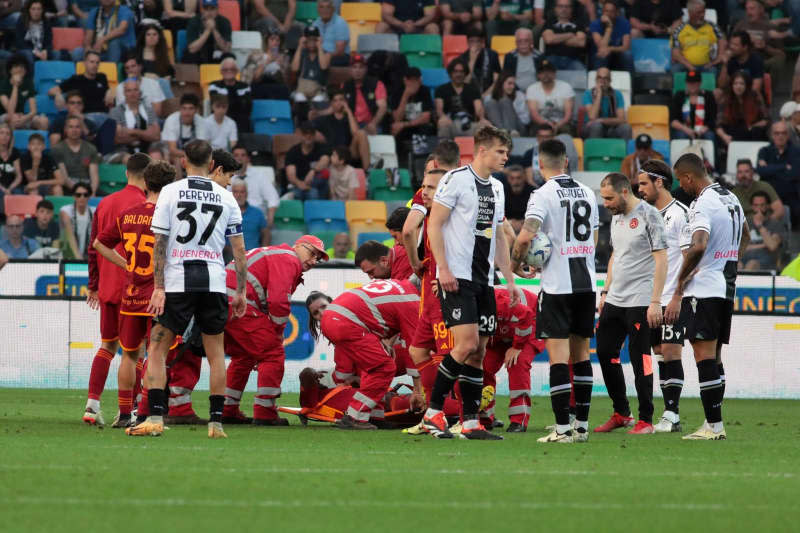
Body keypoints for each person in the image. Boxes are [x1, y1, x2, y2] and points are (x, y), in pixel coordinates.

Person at [128, 140, 246, 438]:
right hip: (215, 283)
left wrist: (158, 287)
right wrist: (241, 291)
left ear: (183, 161)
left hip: (178, 281)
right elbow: (240, 250)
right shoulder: (226, 197)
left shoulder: (169, 192)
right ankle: (216, 423)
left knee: (156, 347)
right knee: (216, 353)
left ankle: (155, 417)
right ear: (211, 164)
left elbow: (160, 244)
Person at [421, 125, 519, 440]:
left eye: (506, 152)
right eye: (501, 152)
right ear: (482, 150)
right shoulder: (455, 179)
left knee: (478, 350)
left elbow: (501, 237)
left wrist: (510, 279)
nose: (505, 157)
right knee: (463, 345)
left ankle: (471, 421)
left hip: (485, 280)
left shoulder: (498, 187)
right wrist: (444, 269)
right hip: (457, 277)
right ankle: (433, 413)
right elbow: (434, 225)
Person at [511, 139, 599, 443]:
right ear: (566, 162)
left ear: (539, 164)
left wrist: (515, 264)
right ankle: (582, 428)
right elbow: (595, 237)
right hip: (587, 285)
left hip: (558, 286)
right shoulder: (588, 192)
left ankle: (562, 430)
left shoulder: (542, 194)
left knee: (559, 360)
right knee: (583, 355)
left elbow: (525, 237)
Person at [667, 152, 749, 440]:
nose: (681, 186)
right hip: (725, 286)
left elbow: (698, 245)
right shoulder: (731, 198)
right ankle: (714, 420)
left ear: (689, 177)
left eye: (681, 180)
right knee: (714, 357)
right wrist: (729, 262)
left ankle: (713, 426)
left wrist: (679, 283)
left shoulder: (703, 203)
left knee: (703, 356)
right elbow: (747, 235)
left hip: (704, 289)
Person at [93, 159, 176, 428]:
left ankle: (124, 413)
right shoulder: (167, 216)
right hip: (157, 296)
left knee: (128, 355)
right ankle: (147, 413)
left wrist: (126, 263)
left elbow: (98, 244)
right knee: (156, 355)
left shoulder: (129, 214)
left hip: (130, 295)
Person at [222, 235, 327, 425]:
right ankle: (265, 412)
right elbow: (278, 302)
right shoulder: (288, 258)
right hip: (238, 303)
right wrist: (277, 334)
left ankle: (228, 409)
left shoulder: (277, 254)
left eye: (317, 259)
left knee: (244, 356)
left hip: (223, 301)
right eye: (312, 253)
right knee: (272, 353)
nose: (313, 261)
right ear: (298, 245)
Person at [593, 172, 667, 435]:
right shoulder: (616, 217)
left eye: (609, 198)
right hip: (615, 298)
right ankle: (622, 412)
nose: (606, 203)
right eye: (603, 198)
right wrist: (605, 290)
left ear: (625, 192)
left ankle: (646, 419)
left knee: (641, 359)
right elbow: (615, 255)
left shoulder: (649, 215)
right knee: (604, 352)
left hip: (640, 299)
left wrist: (655, 301)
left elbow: (661, 258)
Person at [82, 154, 148, 425]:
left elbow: (93, 246)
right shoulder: (146, 205)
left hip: (108, 289)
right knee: (137, 352)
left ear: (125, 173)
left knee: (107, 346)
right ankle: (131, 409)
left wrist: (94, 286)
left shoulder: (106, 202)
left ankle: (92, 404)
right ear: (147, 177)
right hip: (135, 289)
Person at [401, 147, 460, 415]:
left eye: (430, 187)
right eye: (423, 185)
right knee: (417, 351)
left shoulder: (454, 213)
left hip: (444, 290)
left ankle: (459, 413)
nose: (423, 192)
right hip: (430, 295)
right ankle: (433, 411)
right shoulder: (433, 210)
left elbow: (408, 229)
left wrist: (416, 263)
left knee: (452, 355)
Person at [319, 278, 421, 429]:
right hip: (347, 323)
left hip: (336, 319)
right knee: (384, 367)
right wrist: (418, 390)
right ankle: (354, 416)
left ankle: (374, 415)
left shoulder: (400, 286)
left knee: (371, 368)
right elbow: (413, 347)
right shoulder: (413, 300)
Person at [635, 159, 690, 433]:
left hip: (673, 297)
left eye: (644, 183)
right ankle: (670, 413)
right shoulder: (644, 214)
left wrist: (679, 295)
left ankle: (672, 413)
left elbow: (691, 258)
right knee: (658, 353)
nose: (639, 188)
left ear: (660, 182)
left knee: (671, 352)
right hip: (652, 298)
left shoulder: (680, 213)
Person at [481, 286, 545, 432]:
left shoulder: (497, 301)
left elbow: (526, 314)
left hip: (530, 323)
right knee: (483, 365)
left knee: (517, 363)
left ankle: (519, 420)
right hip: (499, 333)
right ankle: (485, 417)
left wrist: (517, 347)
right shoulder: (470, 304)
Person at [107, 79, 161, 164]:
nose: (132, 94)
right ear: (124, 93)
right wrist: (145, 134)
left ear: (140, 92)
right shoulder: (115, 112)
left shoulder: (149, 110)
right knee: (133, 160)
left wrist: (131, 131)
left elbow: (156, 136)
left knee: (156, 156)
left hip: (147, 148)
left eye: (135, 90)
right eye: (129, 90)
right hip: (122, 151)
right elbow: (118, 138)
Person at [315, 87, 370, 170]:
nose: (338, 103)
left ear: (345, 102)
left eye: (341, 100)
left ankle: (368, 171)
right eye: (335, 100)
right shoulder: (325, 119)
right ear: (331, 103)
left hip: (349, 153)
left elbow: (355, 133)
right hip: (333, 155)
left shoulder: (350, 118)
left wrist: (348, 111)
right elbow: (307, 129)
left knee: (361, 133)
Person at [757, 122, 800, 225]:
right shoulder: (764, 151)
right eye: (777, 133)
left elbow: (793, 174)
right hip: (767, 196)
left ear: (788, 135)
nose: (780, 136)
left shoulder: (796, 152)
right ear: (772, 135)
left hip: (789, 196)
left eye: (783, 133)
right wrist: (784, 167)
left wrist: (769, 169)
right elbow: (761, 171)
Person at [435, 59, 490, 139]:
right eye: (455, 71)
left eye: (461, 71)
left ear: (465, 73)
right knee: (442, 123)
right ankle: (445, 151)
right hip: (450, 123)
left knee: (485, 126)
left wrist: (482, 118)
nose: (458, 74)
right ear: (450, 73)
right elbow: (439, 109)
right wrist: (443, 117)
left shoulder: (473, 90)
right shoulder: (441, 89)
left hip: (470, 124)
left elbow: (478, 109)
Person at [49, 51, 114, 118]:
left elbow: (108, 92)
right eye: (92, 62)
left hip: (103, 115)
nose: (95, 65)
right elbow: (51, 91)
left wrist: (109, 91)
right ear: (85, 63)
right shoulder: (76, 79)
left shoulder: (102, 77)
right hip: (85, 117)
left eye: (97, 63)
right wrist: (58, 95)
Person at [390, 67, 436, 159]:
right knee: (394, 129)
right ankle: (401, 163)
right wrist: (405, 96)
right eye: (410, 80)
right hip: (403, 128)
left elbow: (426, 117)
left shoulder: (424, 91)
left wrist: (404, 124)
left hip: (417, 126)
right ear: (405, 80)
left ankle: (421, 161)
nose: (413, 83)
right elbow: (397, 118)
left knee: (426, 129)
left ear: (420, 80)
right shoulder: (397, 92)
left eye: (416, 80)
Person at [715, 71, 769, 148]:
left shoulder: (755, 96)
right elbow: (718, 125)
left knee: (757, 132)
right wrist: (724, 136)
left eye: (741, 84)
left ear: (746, 85)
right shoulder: (725, 99)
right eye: (735, 84)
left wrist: (752, 126)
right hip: (732, 133)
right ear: (732, 85)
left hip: (750, 131)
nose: (738, 86)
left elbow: (766, 120)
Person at [671, 0, 726, 74]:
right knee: (675, 69)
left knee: (713, 70)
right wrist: (690, 67)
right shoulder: (679, 29)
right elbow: (675, 53)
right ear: (690, 13)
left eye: (703, 12)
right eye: (699, 12)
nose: (702, 15)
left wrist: (717, 58)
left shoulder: (712, 26)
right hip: (686, 65)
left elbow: (722, 40)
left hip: (706, 66)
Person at [52, 116, 101, 195]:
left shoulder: (91, 148)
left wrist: (92, 191)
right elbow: (64, 178)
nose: (74, 130)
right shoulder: (58, 149)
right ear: (65, 129)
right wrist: (80, 192)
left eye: (77, 127)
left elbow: (94, 175)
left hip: (87, 187)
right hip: (68, 188)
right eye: (71, 127)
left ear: (81, 129)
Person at [733, 0, 785, 74]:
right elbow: (730, 46)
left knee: (779, 60)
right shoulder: (740, 25)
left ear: (761, 10)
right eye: (747, 9)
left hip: (763, 62)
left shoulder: (770, 26)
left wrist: (765, 47)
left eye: (752, 9)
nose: (748, 12)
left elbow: (781, 54)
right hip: (743, 62)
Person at [230, 145, 279, 223]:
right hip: (232, 218)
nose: (239, 158)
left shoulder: (260, 176)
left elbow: (273, 198)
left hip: (256, 218)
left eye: (243, 155)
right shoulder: (226, 178)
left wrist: (270, 219)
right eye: (236, 155)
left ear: (248, 159)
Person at [342, 53, 388, 136]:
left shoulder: (376, 84)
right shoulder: (345, 86)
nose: (357, 70)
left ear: (366, 69)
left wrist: (373, 123)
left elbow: (383, 107)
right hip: (351, 124)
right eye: (354, 67)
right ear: (350, 69)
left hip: (371, 123)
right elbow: (339, 106)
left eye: (361, 67)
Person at [0, 55, 49, 131]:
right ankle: (12, 142)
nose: (20, 69)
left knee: (43, 121)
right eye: (16, 66)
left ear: (25, 70)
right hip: (5, 117)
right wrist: (15, 86)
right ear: (10, 70)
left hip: (22, 116)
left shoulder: (28, 83)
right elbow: (10, 110)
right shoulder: (3, 84)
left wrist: (25, 118)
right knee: (13, 118)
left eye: (22, 67)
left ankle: (38, 142)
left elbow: (33, 111)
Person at [526, 59, 574, 135]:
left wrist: (558, 125)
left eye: (549, 71)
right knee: (535, 130)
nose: (546, 74)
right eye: (542, 72)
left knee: (566, 130)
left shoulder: (566, 87)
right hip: (540, 123)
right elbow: (534, 114)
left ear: (554, 74)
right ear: (538, 75)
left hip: (562, 123)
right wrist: (548, 125)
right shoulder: (532, 88)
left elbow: (568, 114)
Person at [740, 191, 786, 270]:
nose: (759, 209)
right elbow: (739, 247)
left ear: (768, 206)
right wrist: (763, 245)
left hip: (765, 259)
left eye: (762, 205)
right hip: (744, 257)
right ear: (752, 207)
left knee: (751, 264)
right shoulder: (744, 224)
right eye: (756, 205)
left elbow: (772, 246)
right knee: (735, 266)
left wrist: (759, 225)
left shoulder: (775, 224)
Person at [582, 67, 632, 139]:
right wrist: (599, 94)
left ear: (610, 80)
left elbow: (622, 119)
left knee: (626, 128)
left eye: (605, 78)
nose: (602, 81)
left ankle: (623, 150)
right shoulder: (588, 94)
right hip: (590, 128)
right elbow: (592, 117)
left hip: (611, 128)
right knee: (597, 126)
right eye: (599, 78)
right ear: (596, 79)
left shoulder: (617, 94)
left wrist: (601, 120)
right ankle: (595, 150)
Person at [285, 122, 330, 200]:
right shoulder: (293, 151)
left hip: (318, 182)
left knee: (314, 191)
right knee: (310, 193)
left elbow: (325, 160)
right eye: (305, 133)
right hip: (298, 183)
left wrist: (313, 171)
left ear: (315, 134)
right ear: (301, 134)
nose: (308, 136)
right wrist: (299, 183)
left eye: (311, 133)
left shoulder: (321, 148)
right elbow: (291, 175)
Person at [161, 93, 210, 164]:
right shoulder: (171, 120)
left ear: (196, 110)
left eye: (191, 108)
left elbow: (202, 147)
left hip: (193, 155)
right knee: (177, 160)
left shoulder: (201, 122)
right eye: (184, 108)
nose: (187, 113)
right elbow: (172, 150)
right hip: (169, 152)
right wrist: (192, 156)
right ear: (180, 109)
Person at [669, 70, 717, 142]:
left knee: (709, 136)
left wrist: (703, 129)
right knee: (681, 136)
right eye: (689, 83)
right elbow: (673, 121)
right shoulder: (679, 95)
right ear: (686, 83)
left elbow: (713, 118)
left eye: (695, 83)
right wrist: (687, 130)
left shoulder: (708, 95)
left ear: (700, 83)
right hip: (684, 129)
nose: (692, 85)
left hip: (703, 129)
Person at [114, 53, 166, 118]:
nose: (130, 70)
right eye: (127, 68)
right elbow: (122, 113)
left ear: (140, 67)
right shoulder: (120, 87)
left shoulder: (153, 84)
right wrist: (130, 83)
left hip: (152, 121)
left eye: (133, 66)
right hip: (129, 123)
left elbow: (157, 112)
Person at [208, 57, 253, 133]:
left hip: (240, 123)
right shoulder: (214, 85)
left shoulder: (245, 87)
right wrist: (238, 100)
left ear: (237, 71)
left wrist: (228, 100)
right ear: (221, 72)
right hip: (220, 121)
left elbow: (247, 108)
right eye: (225, 69)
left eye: (232, 69)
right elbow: (217, 106)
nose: (229, 71)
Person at [542, 0, 588, 71]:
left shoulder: (579, 24)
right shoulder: (549, 23)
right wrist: (570, 35)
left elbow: (581, 43)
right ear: (555, 8)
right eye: (560, 6)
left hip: (573, 59)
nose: (564, 9)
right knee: (545, 71)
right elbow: (549, 40)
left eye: (567, 7)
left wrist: (556, 39)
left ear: (571, 9)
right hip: (552, 58)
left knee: (581, 73)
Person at [183, 0, 232, 64]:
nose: (209, 12)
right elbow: (192, 49)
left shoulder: (224, 22)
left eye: (212, 8)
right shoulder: (194, 21)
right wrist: (208, 30)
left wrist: (214, 30)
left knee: (229, 58)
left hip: (217, 53)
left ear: (217, 9)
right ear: (202, 10)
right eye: (206, 9)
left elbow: (226, 49)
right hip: (199, 53)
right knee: (189, 57)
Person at [589, 0, 633, 71]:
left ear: (617, 13)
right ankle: (598, 80)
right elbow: (601, 47)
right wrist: (609, 27)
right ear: (602, 12)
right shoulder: (595, 24)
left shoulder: (624, 23)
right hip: (600, 55)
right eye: (606, 11)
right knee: (602, 55)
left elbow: (626, 47)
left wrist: (610, 49)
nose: (608, 14)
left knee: (627, 55)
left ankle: (631, 81)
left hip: (617, 55)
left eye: (612, 11)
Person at [291, 27, 330, 106]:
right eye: (309, 40)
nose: (312, 43)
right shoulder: (302, 53)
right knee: (299, 99)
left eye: (314, 40)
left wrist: (319, 46)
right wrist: (299, 46)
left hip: (318, 91)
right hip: (302, 89)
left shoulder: (325, 53)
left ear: (318, 40)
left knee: (318, 101)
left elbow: (324, 66)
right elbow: (294, 69)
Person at [717, 31, 764, 96]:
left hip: (750, 95)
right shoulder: (730, 59)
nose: (731, 47)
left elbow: (756, 88)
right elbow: (721, 85)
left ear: (745, 47)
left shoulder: (756, 60)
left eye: (735, 45)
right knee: (717, 92)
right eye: (731, 44)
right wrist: (725, 65)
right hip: (733, 95)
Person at [458, 27, 501, 96]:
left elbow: (497, 80)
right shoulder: (462, 58)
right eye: (472, 41)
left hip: (488, 93)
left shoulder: (492, 55)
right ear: (467, 42)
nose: (475, 44)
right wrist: (472, 61)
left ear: (482, 42)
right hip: (468, 94)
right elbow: (463, 83)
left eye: (478, 41)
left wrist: (485, 95)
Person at [485, 72, 529, 136]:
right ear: (501, 83)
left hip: (518, 128)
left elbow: (526, 119)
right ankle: (505, 132)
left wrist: (513, 113)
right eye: (509, 83)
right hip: (497, 129)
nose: (512, 87)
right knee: (491, 102)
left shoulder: (519, 95)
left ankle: (509, 132)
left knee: (505, 101)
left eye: (514, 84)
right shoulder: (490, 98)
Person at [230, 178, 268, 250]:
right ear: (231, 194)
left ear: (247, 194)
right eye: (236, 192)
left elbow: (266, 234)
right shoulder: (225, 212)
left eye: (242, 192)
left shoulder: (257, 213)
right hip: (230, 256)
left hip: (253, 257)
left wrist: (262, 252)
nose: (239, 195)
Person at [59, 182, 94, 260]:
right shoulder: (66, 211)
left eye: (85, 195)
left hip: (88, 254)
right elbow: (69, 235)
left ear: (89, 197)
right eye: (78, 195)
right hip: (68, 253)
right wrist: (79, 258)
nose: (82, 197)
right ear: (74, 196)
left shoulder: (94, 212)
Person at [14, 0, 55, 66]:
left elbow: (49, 41)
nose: (36, 12)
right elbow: (20, 42)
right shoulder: (22, 20)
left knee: (57, 54)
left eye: (39, 9)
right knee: (29, 54)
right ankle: (31, 76)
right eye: (33, 9)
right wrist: (35, 52)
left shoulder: (46, 22)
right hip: (26, 50)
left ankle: (53, 75)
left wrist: (46, 51)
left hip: (41, 51)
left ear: (42, 10)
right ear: (29, 10)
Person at [501, 28, 542, 93]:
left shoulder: (539, 56)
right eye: (520, 41)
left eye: (526, 40)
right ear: (516, 42)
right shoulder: (510, 56)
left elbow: (542, 78)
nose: (523, 44)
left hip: (536, 92)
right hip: (514, 92)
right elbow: (506, 78)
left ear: (531, 41)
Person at [311, 0, 350, 67]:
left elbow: (340, 51)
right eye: (321, 7)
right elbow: (311, 44)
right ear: (317, 10)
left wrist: (326, 56)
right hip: (321, 55)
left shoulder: (340, 22)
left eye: (328, 7)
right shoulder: (315, 23)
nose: (325, 10)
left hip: (338, 57)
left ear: (333, 9)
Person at [503, 164, 535, 233]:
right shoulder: (502, 192)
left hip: (528, 228)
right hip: (507, 227)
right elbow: (497, 216)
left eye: (519, 178)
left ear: (524, 177)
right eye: (512, 178)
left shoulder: (534, 193)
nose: (515, 182)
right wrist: (510, 223)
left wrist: (524, 223)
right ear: (508, 179)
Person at [0, 123, 23, 202]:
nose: (4, 136)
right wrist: (3, 189)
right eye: (1, 133)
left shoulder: (15, 152)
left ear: (10, 137)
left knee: (18, 193)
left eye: (7, 134)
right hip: (0, 187)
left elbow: (19, 176)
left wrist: (10, 188)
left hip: (12, 186)